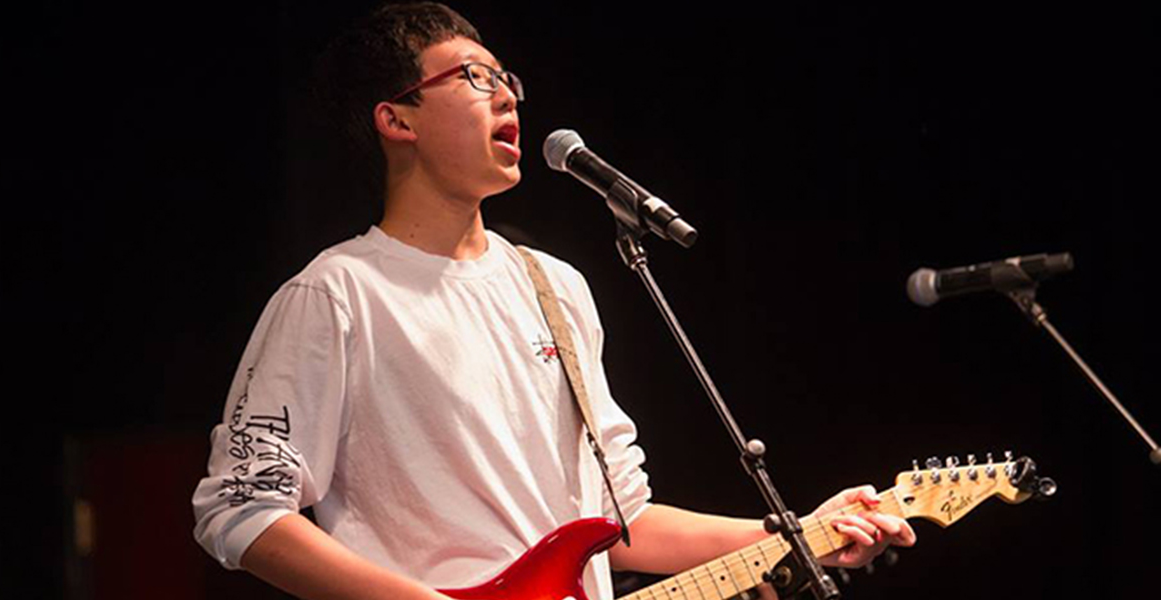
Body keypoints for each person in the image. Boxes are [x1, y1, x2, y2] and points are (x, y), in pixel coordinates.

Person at [191, 4, 916, 600]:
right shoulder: (337, 294)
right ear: (397, 120)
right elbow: (241, 509)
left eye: (507, 78)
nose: (507, 95)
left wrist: (796, 534)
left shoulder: (554, 286)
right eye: (475, 78)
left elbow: (616, 516)